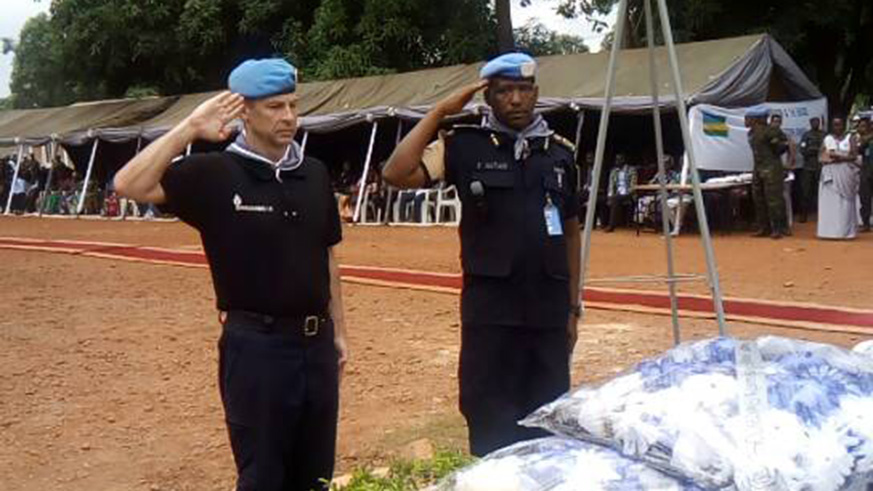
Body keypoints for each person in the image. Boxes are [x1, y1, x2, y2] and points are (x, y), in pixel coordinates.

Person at [114, 58, 347, 490]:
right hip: (256, 349)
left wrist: (339, 334)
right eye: (275, 107)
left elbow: (327, 257)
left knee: (315, 476)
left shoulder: (313, 174)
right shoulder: (215, 174)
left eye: (293, 105)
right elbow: (130, 184)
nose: (289, 117)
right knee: (262, 476)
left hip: (316, 347)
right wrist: (188, 129)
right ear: (244, 112)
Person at [382, 52, 581, 457]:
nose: (515, 99)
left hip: (547, 312)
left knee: (548, 420)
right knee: (490, 419)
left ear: (536, 93)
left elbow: (571, 230)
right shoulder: (462, 147)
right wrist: (439, 112)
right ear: (488, 97)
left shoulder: (560, 153)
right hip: (491, 316)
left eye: (524, 90)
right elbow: (396, 173)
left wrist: (573, 306)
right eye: (504, 91)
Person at [746, 106, 789, 239]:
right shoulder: (751, 133)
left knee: (774, 199)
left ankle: (779, 228)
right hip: (758, 168)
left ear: (756, 119)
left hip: (772, 168)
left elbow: (782, 147)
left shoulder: (771, 131)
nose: (746, 121)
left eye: (748, 118)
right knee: (758, 198)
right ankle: (764, 227)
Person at [817, 117, 860, 240]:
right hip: (830, 172)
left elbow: (854, 155)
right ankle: (827, 232)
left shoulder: (850, 138)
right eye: (835, 125)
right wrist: (828, 158)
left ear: (844, 125)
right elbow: (820, 156)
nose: (837, 127)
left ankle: (844, 232)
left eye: (839, 124)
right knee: (829, 203)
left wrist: (840, 157)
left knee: (845, 204)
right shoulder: (827, 139)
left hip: (845, 172)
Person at [798, 117, 826, 223]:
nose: (815, 123)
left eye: (817, 122)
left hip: (820, 167)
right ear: (810, 123)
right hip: (808, 167)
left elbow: (827, 149)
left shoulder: (824, 135)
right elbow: (802, 149)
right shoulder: (806, 135)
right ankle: (803, 215)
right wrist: (811, 151)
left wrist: (819, 151)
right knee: (805, 192)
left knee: (821, 192)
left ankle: (822, 215)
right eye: (813, 122)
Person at [605, 154, 638, 232]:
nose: (617, 162)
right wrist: (609, 195)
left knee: (615, 198)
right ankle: (604, 223)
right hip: (617, 194)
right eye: (616, 160)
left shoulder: (631, 170)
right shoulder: (614, 171)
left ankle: (611, 226)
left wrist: (627, 192)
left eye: (619, 160)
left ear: (623, 160)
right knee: (609, 198)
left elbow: (633, 185)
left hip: (628, 193)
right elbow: (611, 185)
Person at [857, 117, 873, 232]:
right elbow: (859, 149)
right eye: (860, 126)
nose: (861, 128)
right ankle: (866, 223)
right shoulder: (860, 139)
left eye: (863, 126)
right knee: (865, 198)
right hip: (866, 172)